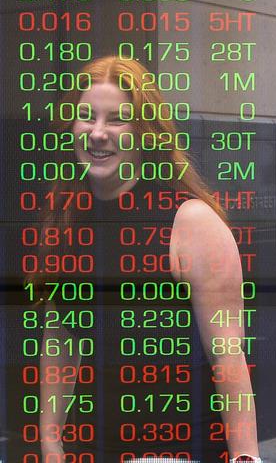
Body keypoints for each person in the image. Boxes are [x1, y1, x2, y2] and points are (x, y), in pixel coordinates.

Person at [27, 56, 260, 462]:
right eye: (87, 117)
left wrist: (247, 457)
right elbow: (59, 341)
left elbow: (228, 357)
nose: (98, 133)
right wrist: (50, 443)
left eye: (116, 119)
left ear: (144, 131)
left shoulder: (190, 221)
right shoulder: (66, 218)